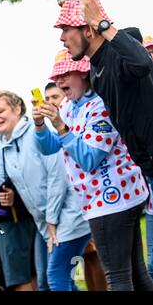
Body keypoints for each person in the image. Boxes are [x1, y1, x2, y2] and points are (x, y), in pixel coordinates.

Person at [32, 49, 153, 291]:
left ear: (84, 74)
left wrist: (59, 125)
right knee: (138, 277)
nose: (59, 81)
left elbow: (89, 158)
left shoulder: (100, 104)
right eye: (58, 76)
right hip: (111, 199)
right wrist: (40, 126)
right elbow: (49, 148)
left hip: (111, 201)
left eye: (66, 74)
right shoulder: (70, 106)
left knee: (118, 279)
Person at [0, 90, 90, 291]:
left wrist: (51, 220)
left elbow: (58, 178)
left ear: (17, 109)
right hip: (45, 223)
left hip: (67, 216)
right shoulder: (4, 144)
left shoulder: (36, 132)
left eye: (0, 110)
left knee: (55, 280)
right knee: (49, 282)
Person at [54, 0, 153, 185]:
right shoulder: (95, 68)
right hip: (149, 168)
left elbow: (143, 63)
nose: (61, 37)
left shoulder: (118, 53)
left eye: (66, 29)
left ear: (88, 31)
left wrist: (100, 22)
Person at [44, 81, 107, 291]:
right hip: (76, 210)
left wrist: (51, 219)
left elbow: (62, 178)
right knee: (81, 266)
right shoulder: (60, 127)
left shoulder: (75, 121)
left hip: (78, 211)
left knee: (65, 272)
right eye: (48, 99)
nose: (52, 102)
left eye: (56, 97)